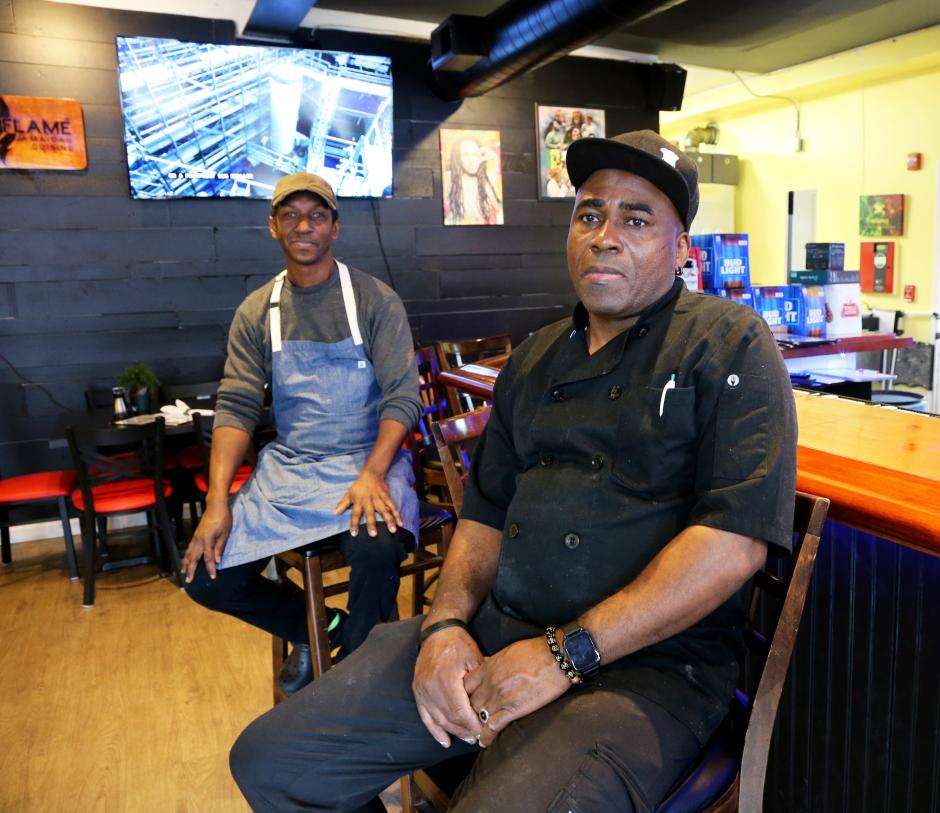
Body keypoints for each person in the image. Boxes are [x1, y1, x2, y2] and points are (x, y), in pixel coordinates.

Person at [229, 131, 798, 812]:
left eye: (637, 219)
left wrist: (566, 653)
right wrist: (443, 626)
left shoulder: (728, 341)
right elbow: (484, 514)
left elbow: (734, 543)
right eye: (590, 214)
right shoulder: (531, 361)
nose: (605, 235)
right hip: (496, 637)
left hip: (645, 674)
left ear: (681, 248)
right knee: (271, 760)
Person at [181, 171, 422, 695]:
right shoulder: (257, 312)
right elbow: (237, 405)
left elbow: (404, 397)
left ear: (335, 226)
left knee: (378, 551)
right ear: (273, 226)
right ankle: (322, 630)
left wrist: (373, 474)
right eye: (290, 215)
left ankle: (360, 691)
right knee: (205, 576)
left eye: (316, 214)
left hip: (367, 461)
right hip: (291, 469)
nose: (303, 225)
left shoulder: (375, 301)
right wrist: (217, 502)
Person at [443, 135, 503, 225]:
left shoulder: (487, 179)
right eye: (466, 154)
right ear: (458, 158)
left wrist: (495, 159)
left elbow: (498, 210)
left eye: (475, 154)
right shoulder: (449, 178)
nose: (472, 160)